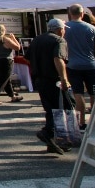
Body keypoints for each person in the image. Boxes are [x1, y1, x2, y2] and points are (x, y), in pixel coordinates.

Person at [27, 18, 72, 155]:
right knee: (63, 107)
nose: (64, 32)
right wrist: (64, 79)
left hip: (40, 79)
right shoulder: (59, 40)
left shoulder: (37, 39)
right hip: (53, 79)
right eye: (63, 29)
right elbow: (58, 59)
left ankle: (54, 139)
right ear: (59, 29)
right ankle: (49, 132)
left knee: (51, 108)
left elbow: (27, 57)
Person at [64, 4, 95, 130]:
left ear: (70, 13)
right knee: (93, 93)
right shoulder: (91, 28)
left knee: (78, 93)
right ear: (82, 14)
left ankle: (81, 121)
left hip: (73, 64)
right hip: (90, 64)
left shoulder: (66, 28)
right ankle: (94, 122)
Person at [0, 23, 23, 104]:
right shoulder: (5, 40)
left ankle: (12, 96)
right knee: (2, 80)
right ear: (3, 30)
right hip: (6, 61)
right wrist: (13, 38)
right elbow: (18, 47)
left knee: (6, 79)